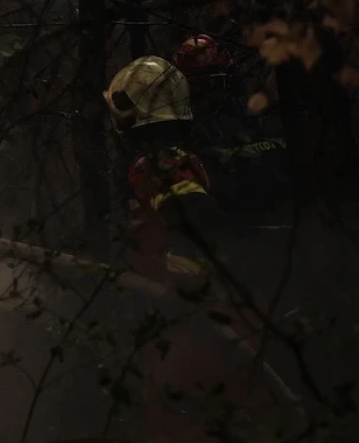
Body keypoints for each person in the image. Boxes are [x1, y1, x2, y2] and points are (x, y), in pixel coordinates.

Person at [104, 56, 280, 442]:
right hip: (219, 312)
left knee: (182, 416)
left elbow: (197, 221)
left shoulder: (158, 164)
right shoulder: (191, 154)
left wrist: (182, 285)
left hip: (193, 322)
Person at [172, 34, 292, 228]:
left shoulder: (239, 111)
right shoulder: (189, 127)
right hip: (234, 213)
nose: (217, 86)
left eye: (221, 76)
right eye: (209, 79)